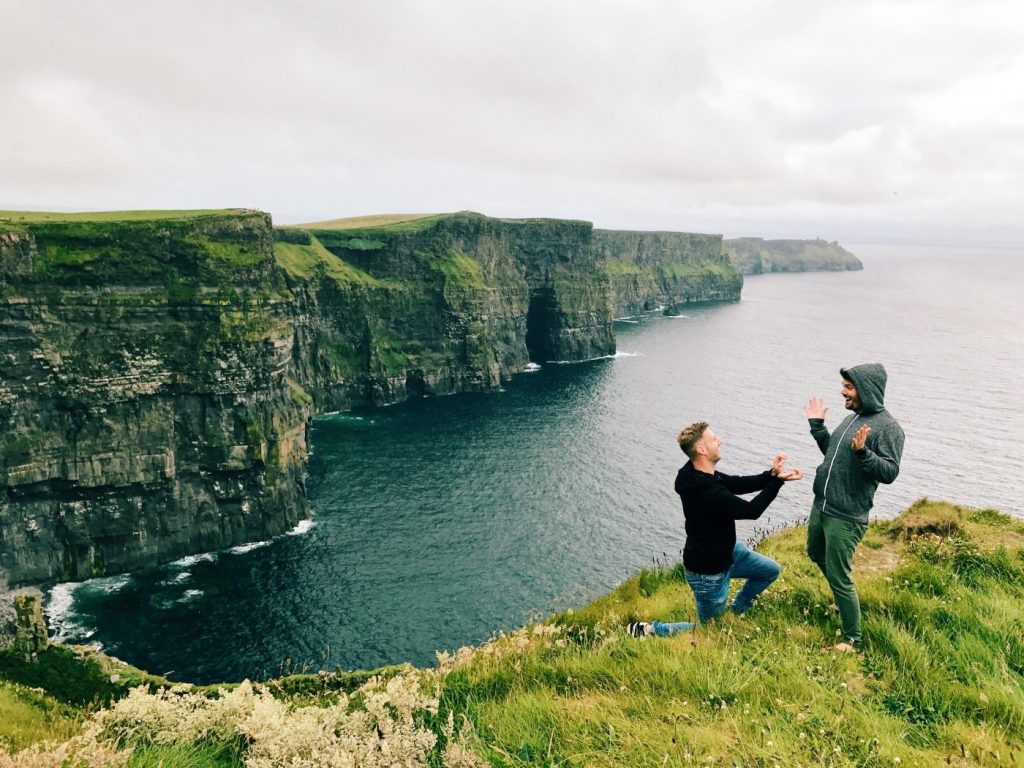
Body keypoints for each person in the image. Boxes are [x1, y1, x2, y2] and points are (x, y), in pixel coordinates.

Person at [628, 421, 801, 638]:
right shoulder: (706, 492)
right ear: (701, 449)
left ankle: (736, 612)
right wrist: (777, 484)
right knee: (710, 631)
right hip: (707, 572)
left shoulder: (698, 473)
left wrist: (771, 475)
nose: (720, 441)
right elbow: (751, 510)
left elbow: (737, 483)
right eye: (713, 439)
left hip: (729, 553)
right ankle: (650, 630)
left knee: (770, 571)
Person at [804, 363, 905, 652]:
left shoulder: (889, 428)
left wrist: (863, 452)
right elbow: (834, 454)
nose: (842, 391)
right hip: (822, 505)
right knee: (814, 553)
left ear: (866, 390)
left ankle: (852, 639)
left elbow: (889, 472)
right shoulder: (852, 419)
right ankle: (842, 599)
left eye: (849, 387)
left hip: (846, 516)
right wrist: (817, 427)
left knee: (839, 575)